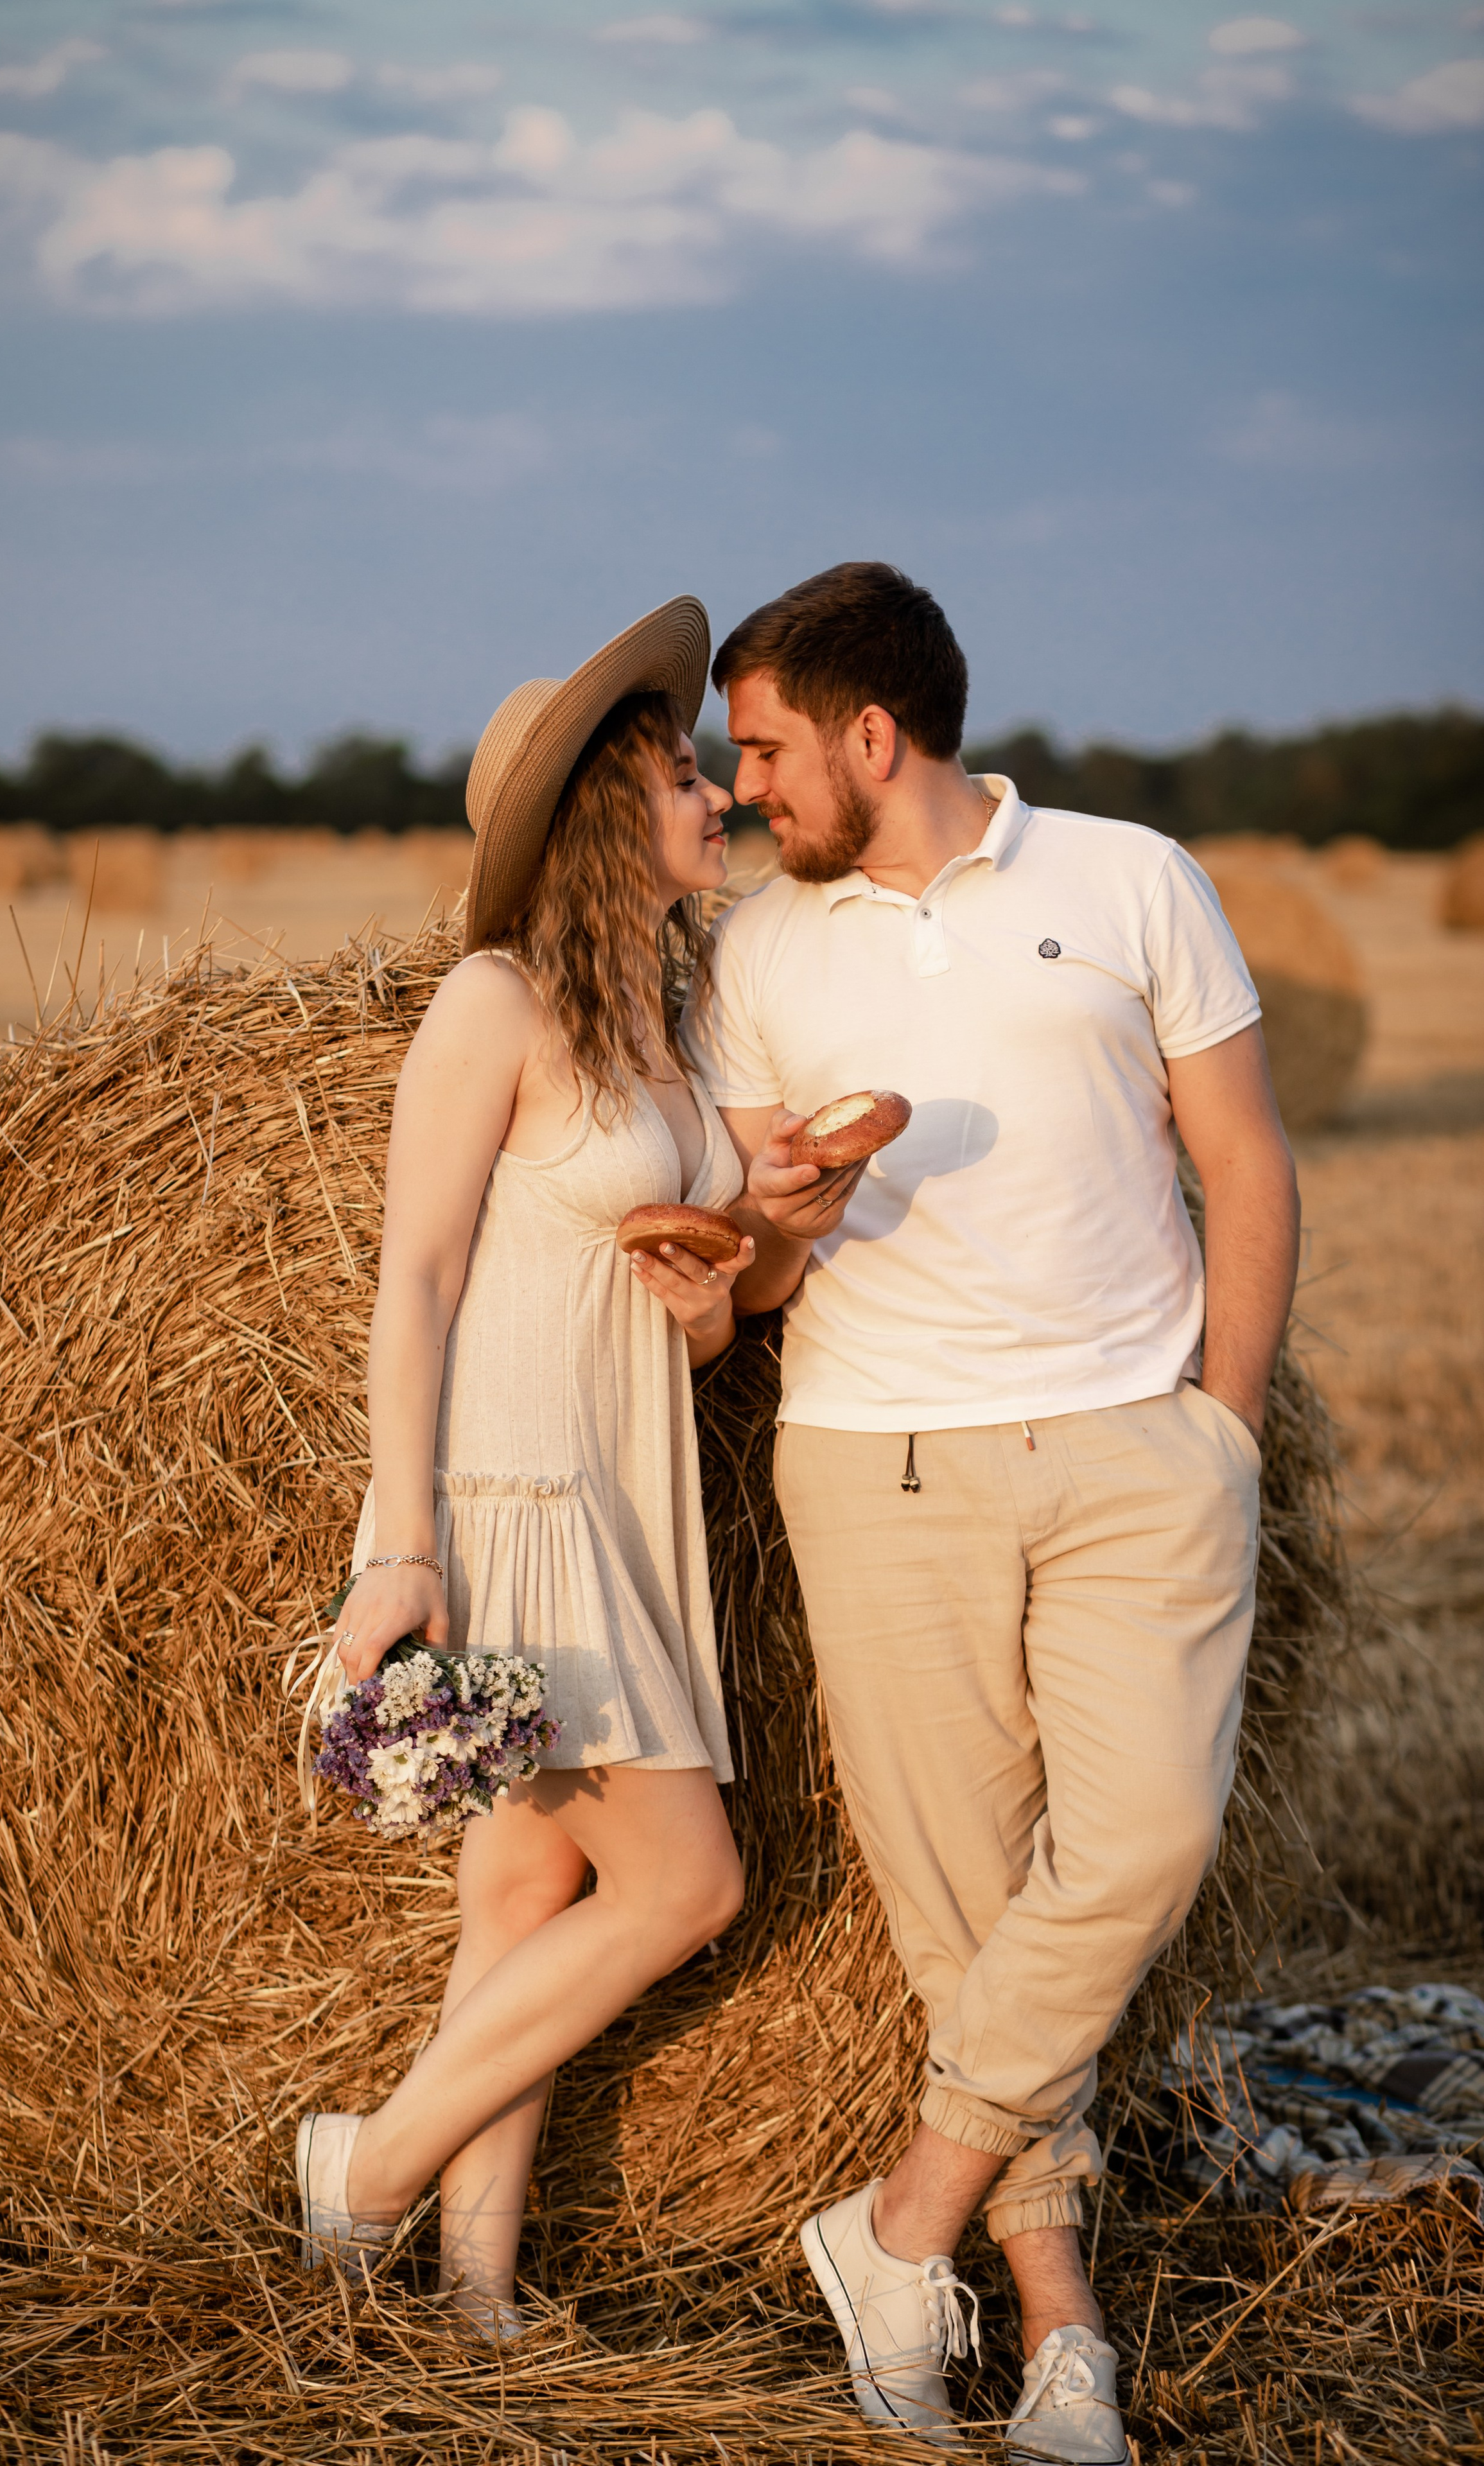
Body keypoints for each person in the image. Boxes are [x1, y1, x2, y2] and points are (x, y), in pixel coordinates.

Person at [688, 563, 1300, 2458]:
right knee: (972, 1928)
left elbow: (1246, 1160)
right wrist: (777, 1225)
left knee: (1132, 1852)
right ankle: (1061, 2343)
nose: (746, 792)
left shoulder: (1134, 881)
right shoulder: (760, 956)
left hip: (1137, 1453)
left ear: (877, 739)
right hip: (881, 1470)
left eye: (771, 752)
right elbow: (755, 1283)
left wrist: (1228, 1429)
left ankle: (897, 2225)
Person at [295, 599, 753, 2336]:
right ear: (598, 818)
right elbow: (413, 1280)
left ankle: (474, 2290)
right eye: (686, 779)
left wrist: (710, 1315)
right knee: (686, 1885)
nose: (719, 803)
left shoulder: (664, 1017)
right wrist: (396, 1547)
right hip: (515, 1507)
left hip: (632, 1496)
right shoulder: (494, 1003)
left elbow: (677, 1311)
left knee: (527, 1882)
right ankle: (368, 2167)